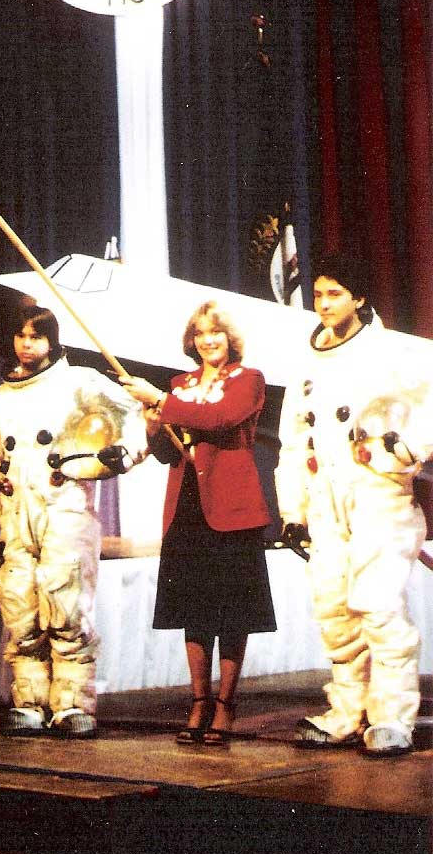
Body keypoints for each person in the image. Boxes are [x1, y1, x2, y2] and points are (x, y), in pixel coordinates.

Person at [276, 253, 430, 757]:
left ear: (359, 298)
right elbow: (294, 440)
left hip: (377, 495)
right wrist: (292, 510)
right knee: (335, 609)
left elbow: (422, 417)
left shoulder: (393, 354)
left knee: (378, 606)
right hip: (326, 500)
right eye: (318, 295)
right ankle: (346, 712)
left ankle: (391, 717)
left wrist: (395, 452)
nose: (323, 304)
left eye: (334, 294)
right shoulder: (306, 361)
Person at [0, 304, 147, 738]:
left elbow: (130, 419)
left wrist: (119, 456)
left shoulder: (78, 382)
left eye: (36, 336)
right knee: (21, 607)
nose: (27, 344)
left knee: (65, 603)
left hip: (64, 504)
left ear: (52, 341)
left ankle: (71, 702)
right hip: (17, 515)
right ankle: (29, 701)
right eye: (21, 336)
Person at [121, 302, 275, 744]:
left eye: (217, 334)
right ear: (192, 340)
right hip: (187, 504)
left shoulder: (248, 381)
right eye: (202, 334)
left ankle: (226, 703)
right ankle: (198, 700)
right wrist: (154, 426)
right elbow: (173, 452)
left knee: (232, 610)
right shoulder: (180, 384)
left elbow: (222, 418)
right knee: (194, 608)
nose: (209, 341)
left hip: (232, 506)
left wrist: (161, 401)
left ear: (230, 340)